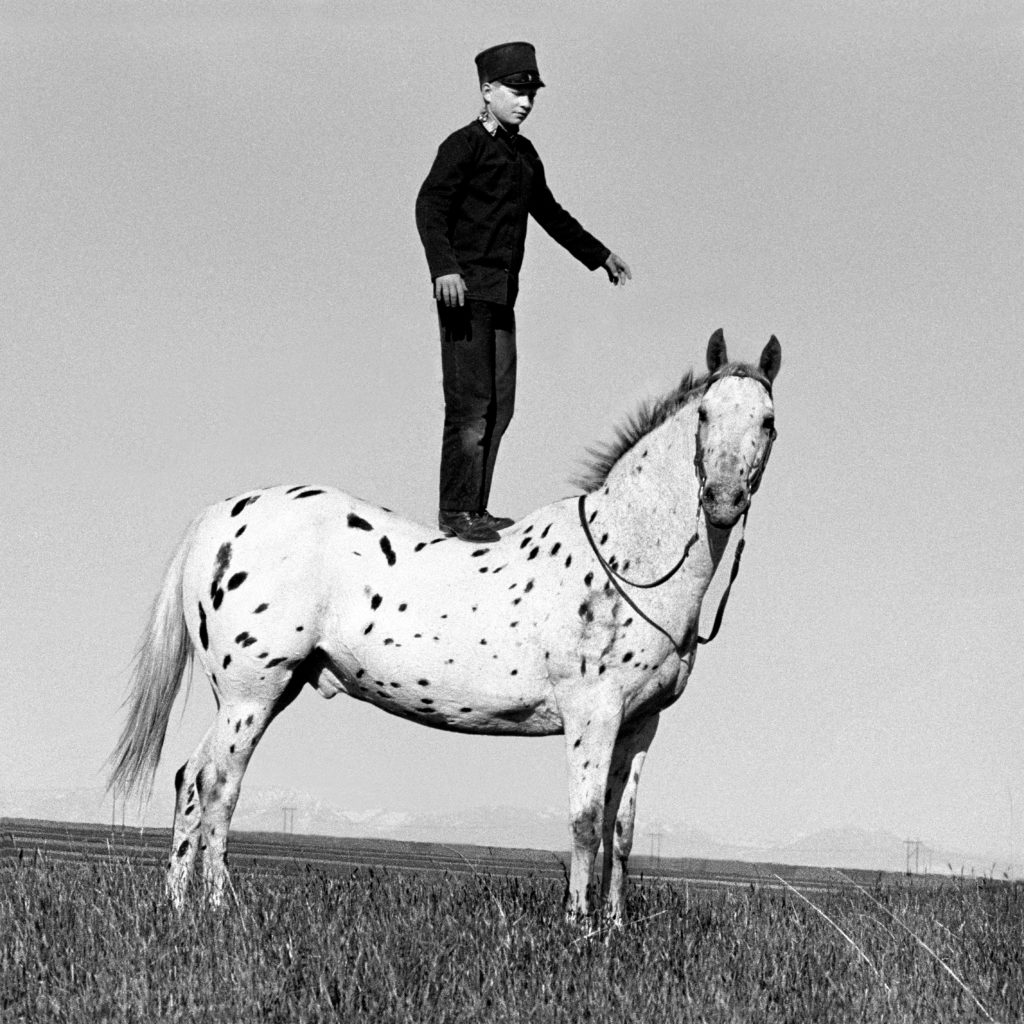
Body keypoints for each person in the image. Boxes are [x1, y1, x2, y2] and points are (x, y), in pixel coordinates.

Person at [416, 41, 631, 543]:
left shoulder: (524, 153)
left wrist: (598, 255)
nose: (525, 102)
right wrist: (443, 269)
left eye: (531, 93)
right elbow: (430, 206)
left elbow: (551, 213)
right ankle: (456, 512)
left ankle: (477, 508)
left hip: (501, 298)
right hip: (463, 295)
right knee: (470, 409)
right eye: (515, 91)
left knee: (500, 406)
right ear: (487, 90)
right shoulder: (463, 145)